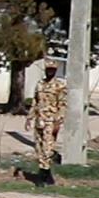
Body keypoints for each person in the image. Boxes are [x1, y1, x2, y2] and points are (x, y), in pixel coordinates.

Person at [26, 58, 66, 187]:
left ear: (55, 71)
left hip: (50, 121)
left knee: (47, 149)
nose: (50, 72)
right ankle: (47, 175)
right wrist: (29, 118)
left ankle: (42, 176)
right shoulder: (40, 84)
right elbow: (35, 102)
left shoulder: (60, 85)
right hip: (39, 121)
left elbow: (63, 105)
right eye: (48, 70)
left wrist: (58, 123)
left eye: (52, 70)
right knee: (38, 148)